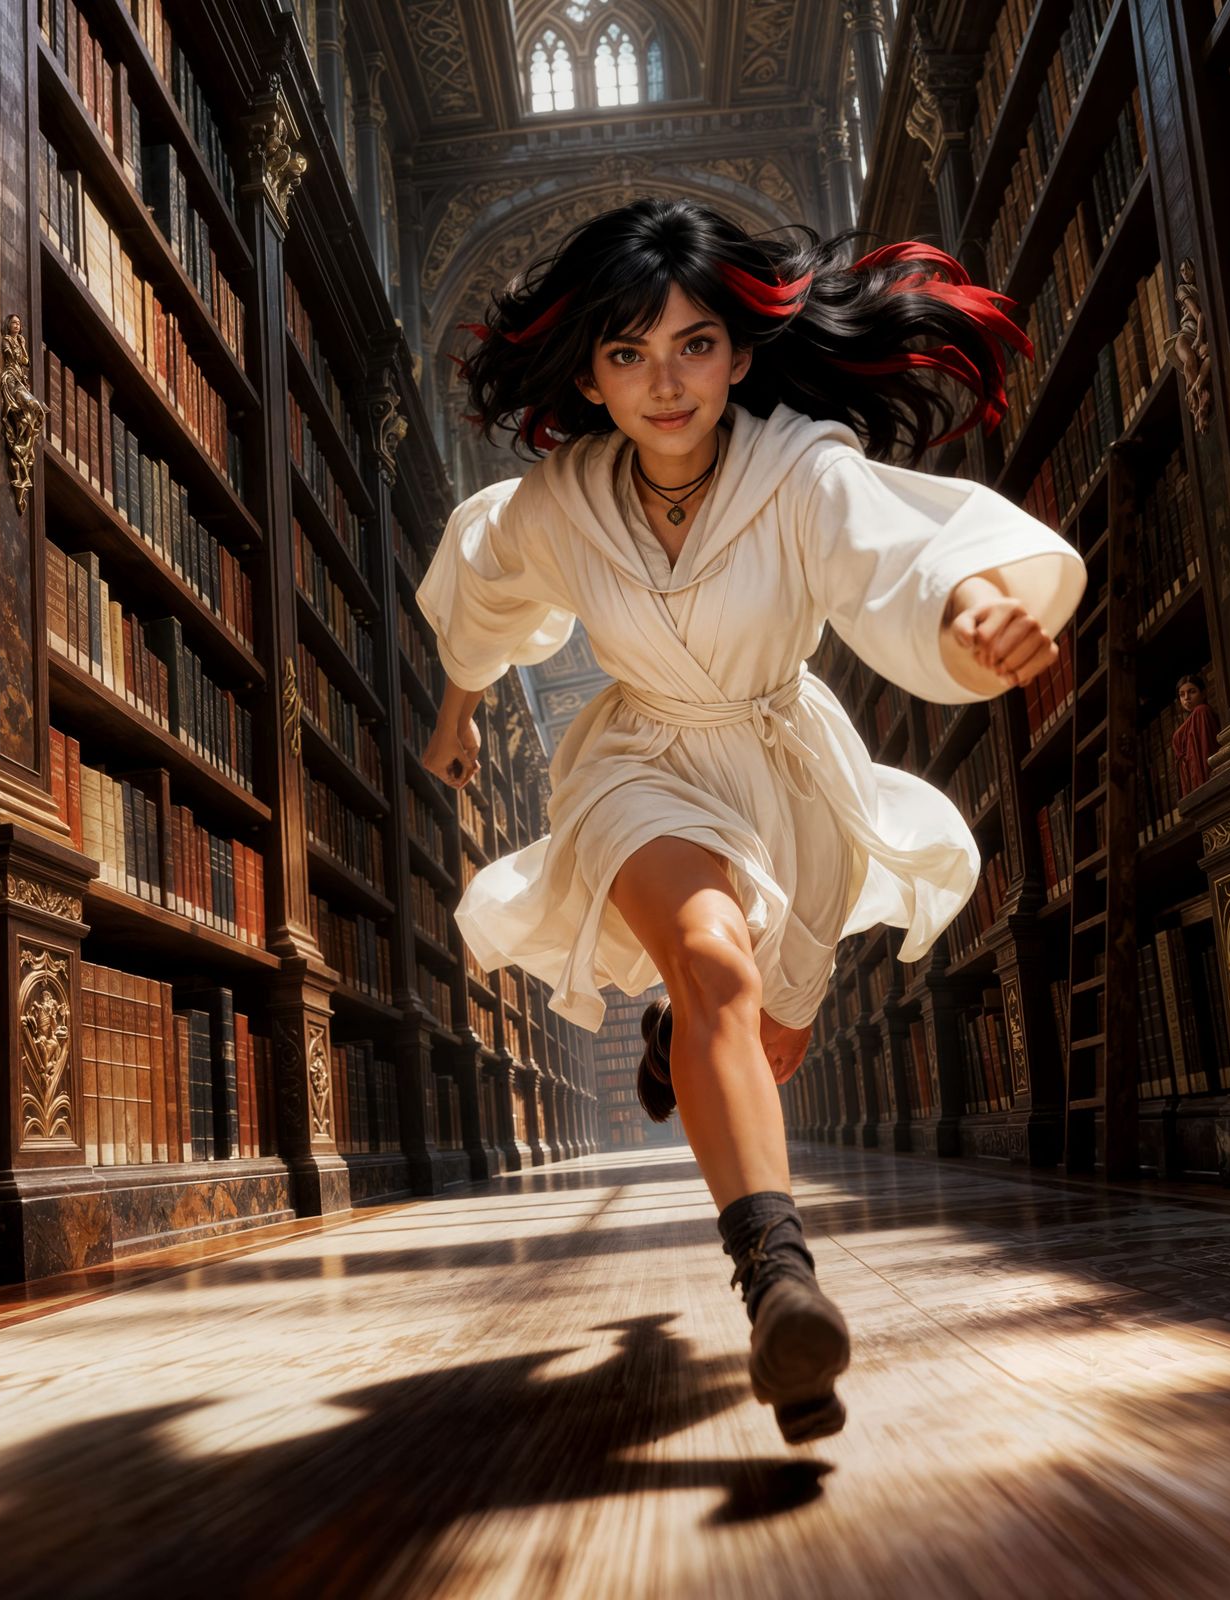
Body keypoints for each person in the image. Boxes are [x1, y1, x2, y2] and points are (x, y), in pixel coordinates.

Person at [416, 198, 1084, 1445]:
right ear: (589, 375)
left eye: (694, 345)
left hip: (782, 768)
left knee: (763, 1035)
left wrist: (974, 608)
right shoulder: (559, 502)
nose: (665, 382)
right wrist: (457, 717)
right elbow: (482, 588)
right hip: (639, 756)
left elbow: (893, 553)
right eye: (627, 354)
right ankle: (781, 1280)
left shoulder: (801, 468)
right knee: (715, 958)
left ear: (738, 349)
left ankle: (684, 1038)